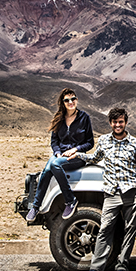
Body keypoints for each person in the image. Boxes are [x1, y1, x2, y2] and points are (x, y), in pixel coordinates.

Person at [80, 107, 136, 271]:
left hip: (132, 192)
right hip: (111, 193)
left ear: (126, 122)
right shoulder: (104, 141)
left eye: (121, 122)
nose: (118, 125)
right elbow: (94, 158)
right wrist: (77, 155)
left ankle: (122, 266)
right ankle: (96, 269)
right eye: (115, 122)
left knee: (129, 230)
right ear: (110, 123)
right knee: (105, 229)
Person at [26, 88, 94, 222]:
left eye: (73, 99)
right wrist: (57, 153)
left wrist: (76, 149)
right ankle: (36, 206)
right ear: (63, 103)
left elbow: (90, 143)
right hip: (60, 155)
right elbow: (54, 141)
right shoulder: (59, 118)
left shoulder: (84, 118)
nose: (70, 102)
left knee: (54, 165)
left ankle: (70, 200)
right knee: (47, 170)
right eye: (67, 100)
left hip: (77, 157)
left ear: (77, 100)